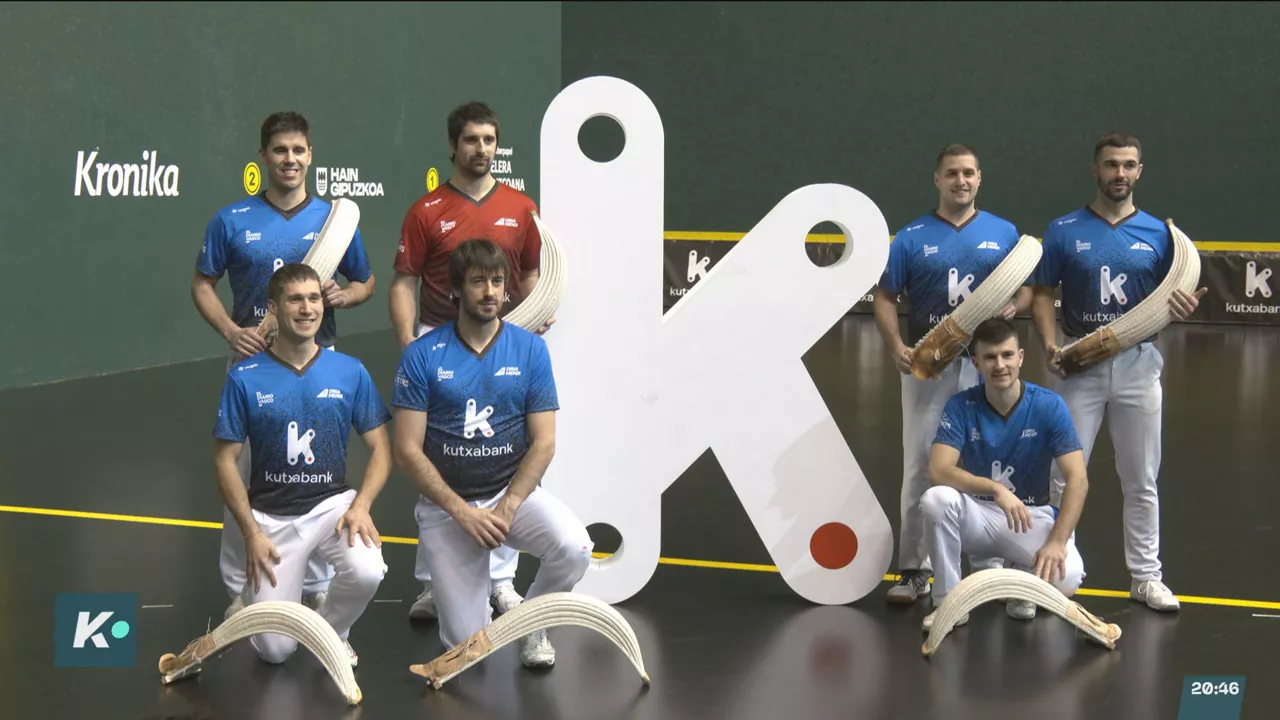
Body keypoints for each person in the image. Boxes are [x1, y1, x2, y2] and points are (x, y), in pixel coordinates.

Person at [193, 111, 377, 620]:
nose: (289, 159)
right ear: (263, 157)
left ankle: (315, 585)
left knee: (316, 473)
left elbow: (365, 281)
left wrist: (347, 295)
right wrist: (230, 331)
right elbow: (202, 283)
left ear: (310, 155)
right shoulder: (232, 219)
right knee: (245, 473)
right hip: (252, 362)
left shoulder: (333, 221)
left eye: (298, 150)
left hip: (319, 360)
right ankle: (241, 587)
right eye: (279, 150)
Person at [391, 239, 592, 668]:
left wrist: (508, 506)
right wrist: (462, 513)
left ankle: (533, 622)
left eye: (497, 282)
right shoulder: (422, 355)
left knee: (575, 547)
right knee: (470, 651)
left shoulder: (530, 349)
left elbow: (544, 442)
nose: (490, 292)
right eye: (478, 281)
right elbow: (407, 450)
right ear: (455, 290)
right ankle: (473, 615)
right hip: (448, 509)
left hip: (509, 496)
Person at [389, 101, 551, 621]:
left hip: (502, 344)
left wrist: (535, 314)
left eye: (489, 140)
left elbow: (530, 276)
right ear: (453, 146)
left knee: (504, 453)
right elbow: (404, 282)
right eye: (471, 140)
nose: (481, 149)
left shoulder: (521, 208)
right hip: (439, 344)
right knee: (441, 460)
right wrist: (409, 342)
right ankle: (436, 583)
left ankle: (501, 583)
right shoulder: (426, 210)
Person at [1030, 132, 1205, 612]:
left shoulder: (1160, 235)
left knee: (1141, 478)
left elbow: (1171, 299)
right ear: (1095, 170)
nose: (1120, 173)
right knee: (1062, 475)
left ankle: (1146, 577)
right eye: (1111, 165)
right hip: (1077, 367)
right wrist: (1048, 344)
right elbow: (1042, 293)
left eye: (1128, 165)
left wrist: (1180, 310)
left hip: (1138, 367)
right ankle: (1051, 576)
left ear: (1139, 171)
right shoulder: (1063, 230)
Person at [874, 143, 1031, 605]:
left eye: (968, 173)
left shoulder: (1004, 233)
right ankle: (914, 569)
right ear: (937, 180)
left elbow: (1026, 291)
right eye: (951, 174)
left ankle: (990, 568)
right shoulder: (909, 237)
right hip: (929, 368)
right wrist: (896, 346)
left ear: (979, 178)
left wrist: (1014, 304)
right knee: (921, 466)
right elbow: (885, 297)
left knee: (989, 461)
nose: (960, 181)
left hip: (988, 367)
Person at [212, 263, 390, 667]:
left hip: (332, 509)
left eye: (314, 299)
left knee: (367, 570)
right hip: (272, 520)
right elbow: (224, 461)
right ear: (273, 308)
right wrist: (251, 533)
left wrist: (361, 506)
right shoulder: (244, 377)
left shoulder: (350, 371)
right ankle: (277, 614)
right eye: (295, 300)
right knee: (275, 652)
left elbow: (381, 448)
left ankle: (330, 633)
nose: (307, 308)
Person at [920, 317, 1089, 630]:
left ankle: (1018, 576)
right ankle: (947, 604)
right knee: (936, 499)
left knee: (1068, 579)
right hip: (978, 515)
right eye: (990, 357)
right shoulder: (960, 406)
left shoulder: (1049, 405)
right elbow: (939, 470)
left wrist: (1057, 541)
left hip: (1029, 517)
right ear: (976, 363)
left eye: (1007, 355)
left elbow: (1078, 479)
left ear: (1021, 357)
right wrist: (996, 490)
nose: (1000, 365)